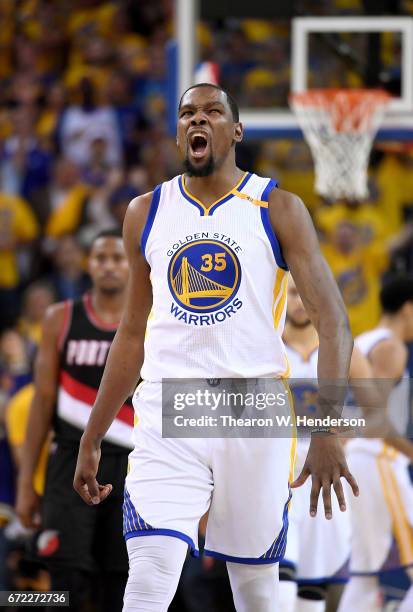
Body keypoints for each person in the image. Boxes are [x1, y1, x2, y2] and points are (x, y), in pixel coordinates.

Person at [74, 83, 359, 612]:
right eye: (187, 114)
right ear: (180, 131)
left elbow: (334, 324)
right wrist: (94, 433)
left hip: (252, 409)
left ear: (236, 131)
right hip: (167, 407)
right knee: (149, 580)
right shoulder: (146, 211)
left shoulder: (278, 207)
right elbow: (131, 334)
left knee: (255, 593)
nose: (196, 121)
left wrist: (327, 431)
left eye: (211, 112)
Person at [16, 228, 133, 612]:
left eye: (118, 258)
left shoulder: (151, 322)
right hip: (69, 460)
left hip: (132, 463)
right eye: (101, 258)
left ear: (132, 264)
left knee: (121, 580)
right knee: (64, 580)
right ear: (88, 264)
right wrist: (25, 485)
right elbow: (42, 403)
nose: (110, 266)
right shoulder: (60, 318)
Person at [279, 278, 413, 612]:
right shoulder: (264, 345)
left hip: (324, 473)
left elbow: (372, 413)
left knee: (316, 583)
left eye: (305, 292)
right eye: (292, 293)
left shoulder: (347, 347)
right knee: (277, 572)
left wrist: (336, 428)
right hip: (280, 472)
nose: (299, 302)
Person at [339, 276, 413, 612]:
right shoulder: (392, 347)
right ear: (408, 310)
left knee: (366, 573)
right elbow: (375, 419)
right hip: (378, 459)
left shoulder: (364, 338)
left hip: (361, 458)